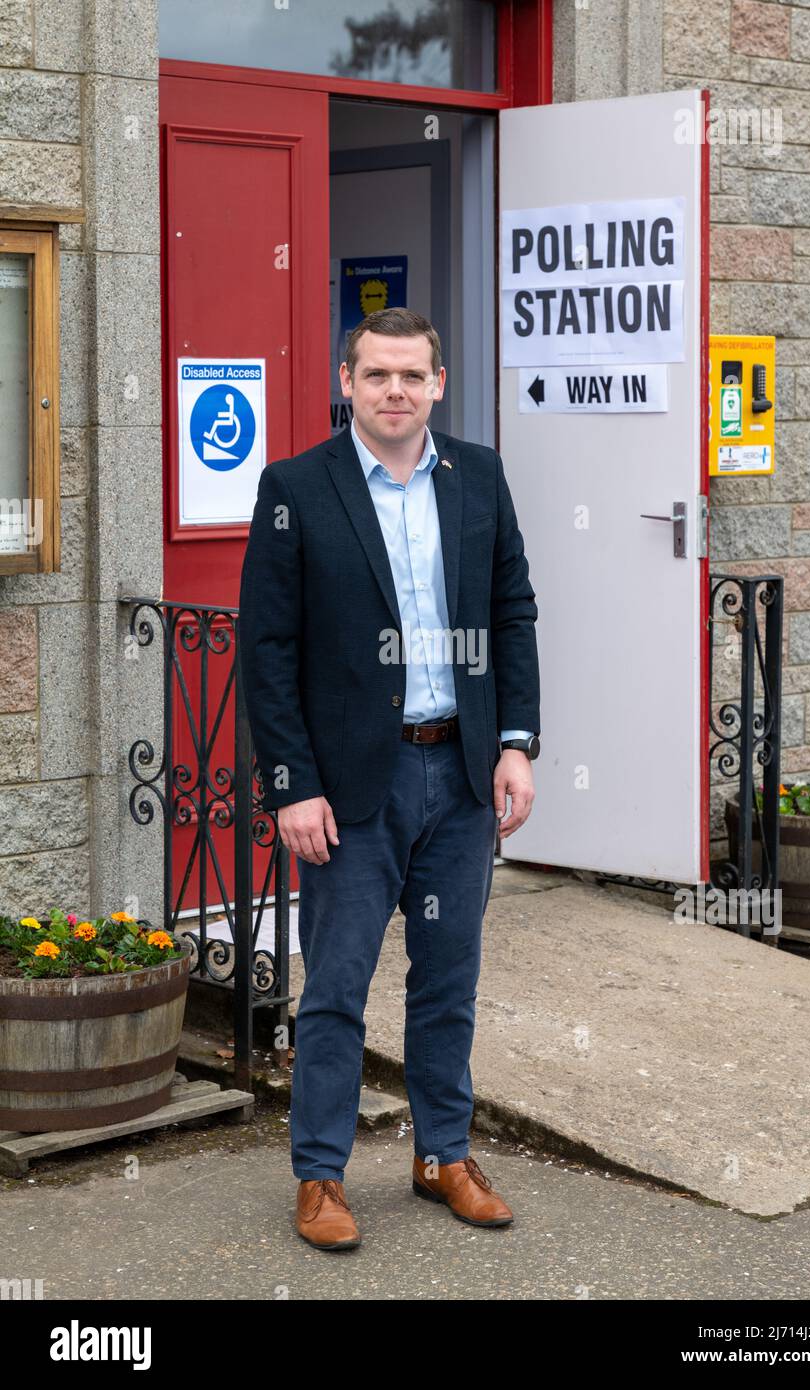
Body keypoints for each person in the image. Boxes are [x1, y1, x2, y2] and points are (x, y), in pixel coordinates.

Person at [238, 307, 541, 1251]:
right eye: (377, 376)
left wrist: (517, 742)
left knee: (449, 979)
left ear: (438, 384)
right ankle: (320, 1176)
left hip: (457, 777)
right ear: (347, 381)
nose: (396, 391)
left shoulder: (479, 477)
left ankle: (443, 1152)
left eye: (413, 376)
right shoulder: (296, 487)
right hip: (349, 789)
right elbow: (268, 648)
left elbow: (513, 611)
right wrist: (291, 785)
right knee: (336, 985)